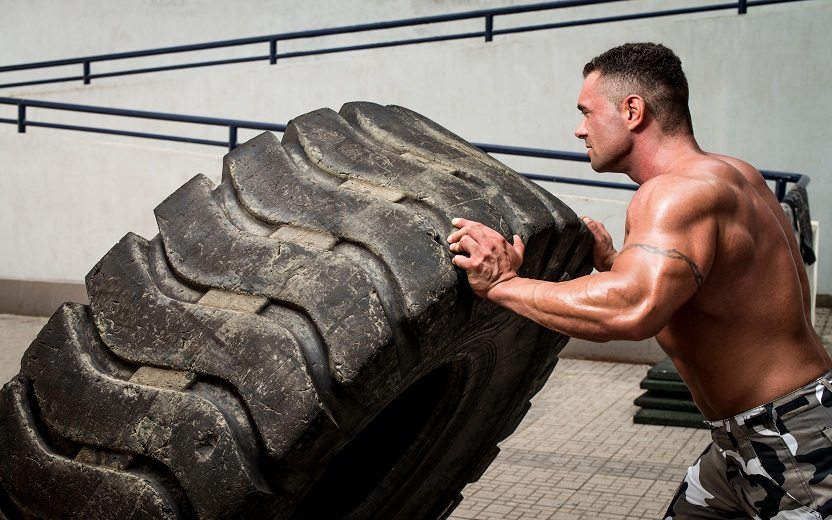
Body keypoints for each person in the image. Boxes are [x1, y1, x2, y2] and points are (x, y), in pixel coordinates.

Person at [447, 42, 832, 518]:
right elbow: (689, 300)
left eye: (587, 112)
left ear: (632, 111)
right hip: (742, 440)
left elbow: (633, 309)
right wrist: (612, 262)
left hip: (794, 443)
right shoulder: (732, 174)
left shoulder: (675, 194)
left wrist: (501, 282)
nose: (579, 128)